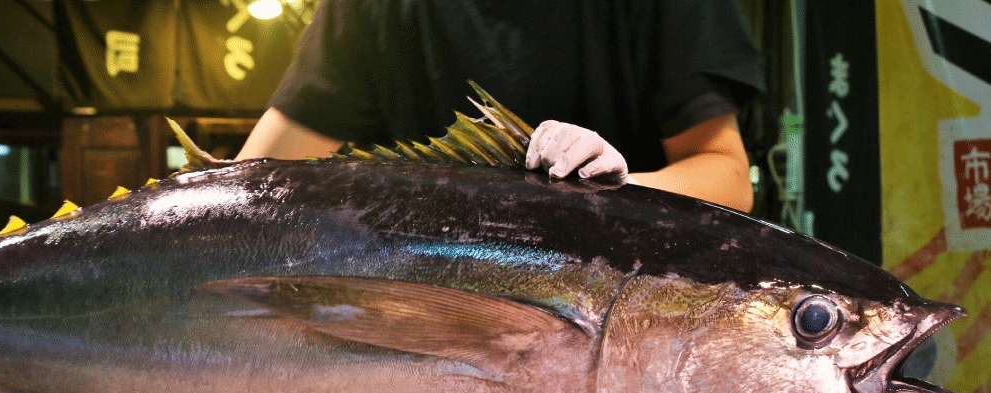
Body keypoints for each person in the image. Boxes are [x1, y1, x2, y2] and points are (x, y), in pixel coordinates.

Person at [237, 0, 764, 212]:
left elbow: (726, 176)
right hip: (422, 330)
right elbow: (249, 185)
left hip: (622, 326)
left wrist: (615, 186)